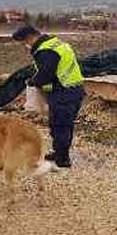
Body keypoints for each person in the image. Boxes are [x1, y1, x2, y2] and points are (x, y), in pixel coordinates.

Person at [12, 26, 85, 168]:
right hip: (74, 89)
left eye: (24, 42)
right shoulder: (57, 43)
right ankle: (59, 152)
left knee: (60, 126)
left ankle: (63, 159)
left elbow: (46, 74)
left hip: (64, 93)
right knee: (63, 125)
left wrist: (32, 82)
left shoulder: (46, 51)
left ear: (30, 38)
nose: (26, 45)